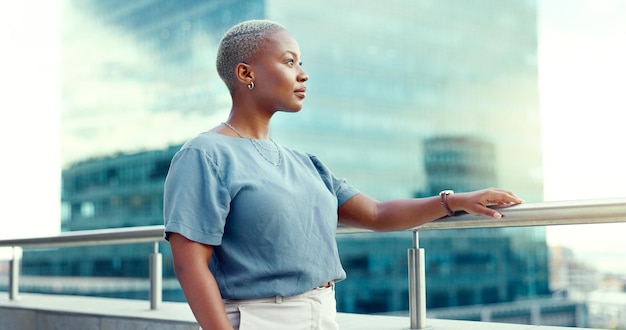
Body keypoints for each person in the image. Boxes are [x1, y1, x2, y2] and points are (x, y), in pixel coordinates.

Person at [163, 19, 523, 330]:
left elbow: (378, 214)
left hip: (323, 314)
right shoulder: (204, 154)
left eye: (300, 62)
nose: (302, 74)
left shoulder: (306, 163)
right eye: (289, 62)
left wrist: (456, 201)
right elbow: (190, 264)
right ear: (245, 73)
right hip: (257, 318)